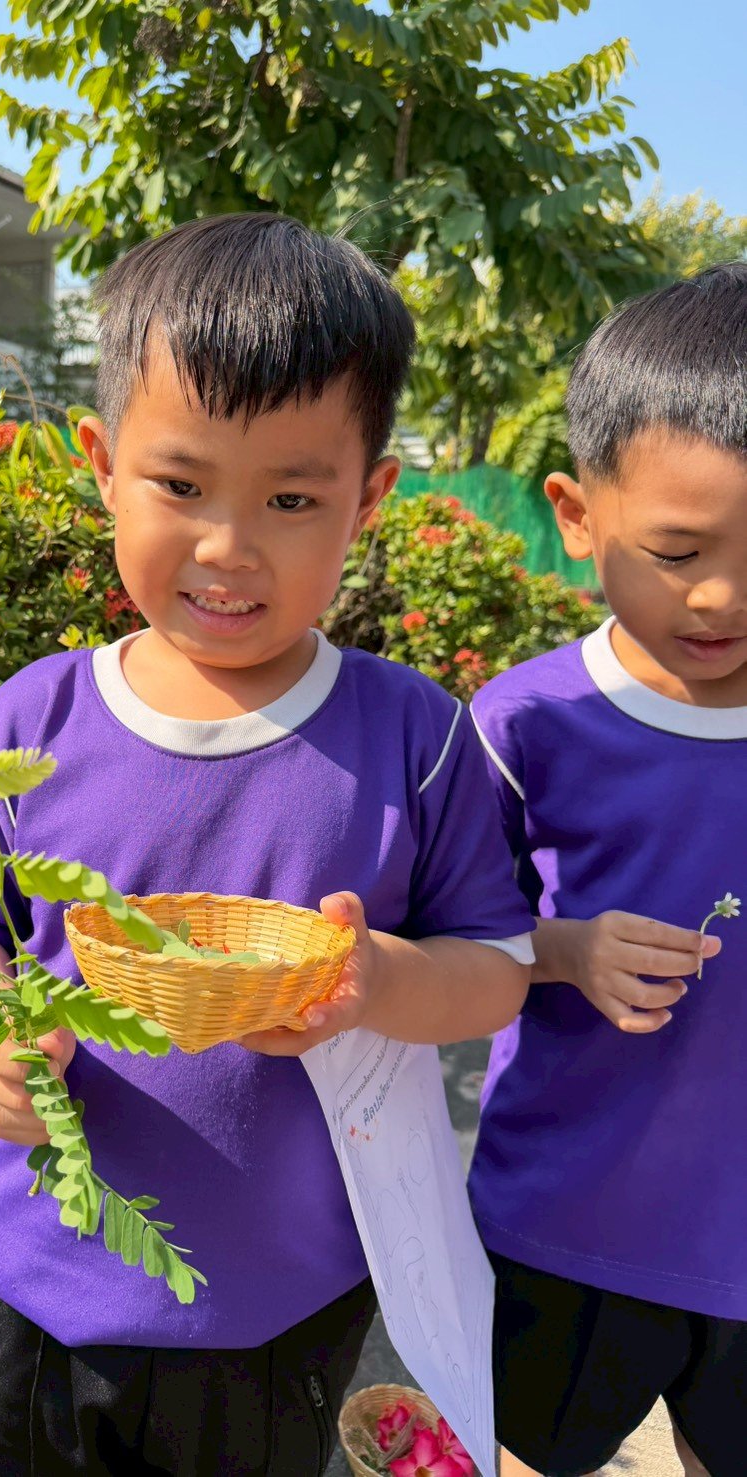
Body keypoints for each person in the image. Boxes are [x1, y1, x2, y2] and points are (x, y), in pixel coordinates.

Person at [0, 213, 532, 1477]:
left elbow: (495, 967)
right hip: (32, 1282)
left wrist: (377, 981)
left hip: (276, 1311)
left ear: (370, 497)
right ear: (101, 463)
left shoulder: (412, 737)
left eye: (291, 499)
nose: (229, 547)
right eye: (180, 486)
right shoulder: (28, 723)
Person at [468, 263, 747, 1477]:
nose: (722, 594)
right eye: (676, 550)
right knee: (522, 1452)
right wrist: (563, 950)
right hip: (565, 1226)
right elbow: (449, 943)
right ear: (577, 515)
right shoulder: (526, 725)